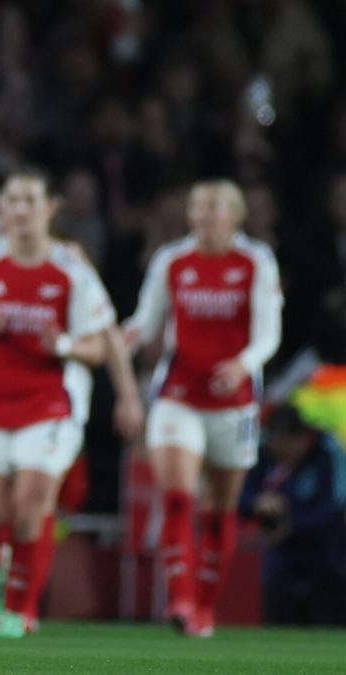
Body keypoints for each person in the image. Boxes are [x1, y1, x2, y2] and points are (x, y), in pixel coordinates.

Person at [0, 169, 127, 638]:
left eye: (30, 200)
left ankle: (20, 610)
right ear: (0, 210)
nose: (21, 210)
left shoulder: (72, 269)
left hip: (47, 406)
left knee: (28, 509)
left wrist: (61, 344)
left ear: (50, 208)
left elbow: (97, 347)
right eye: (13, 200)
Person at [123, 179, 283, 637]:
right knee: (177, 497)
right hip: (179, 396)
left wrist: (243, 364)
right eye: (198, 208)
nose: (205, 217)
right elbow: (148, 318)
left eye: (215, 208)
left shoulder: (255, 261)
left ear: (235, 215)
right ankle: (180, 599)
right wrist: (126, 334)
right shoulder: (172, 260)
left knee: (220, 508)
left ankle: (206, 608)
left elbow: (269, 333)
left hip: (234, 403)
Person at [241, 404, 346, 626]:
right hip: (280, 564)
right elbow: (239, 496)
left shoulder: (328, 452)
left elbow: (334, 507)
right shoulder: (262, 453)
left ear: (302, 439)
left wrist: (290, 526)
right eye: (276, 442)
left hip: (326, 561)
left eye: (288, 443)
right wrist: (257, 502)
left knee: (327, 626)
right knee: (278, 625)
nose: (282, 450)